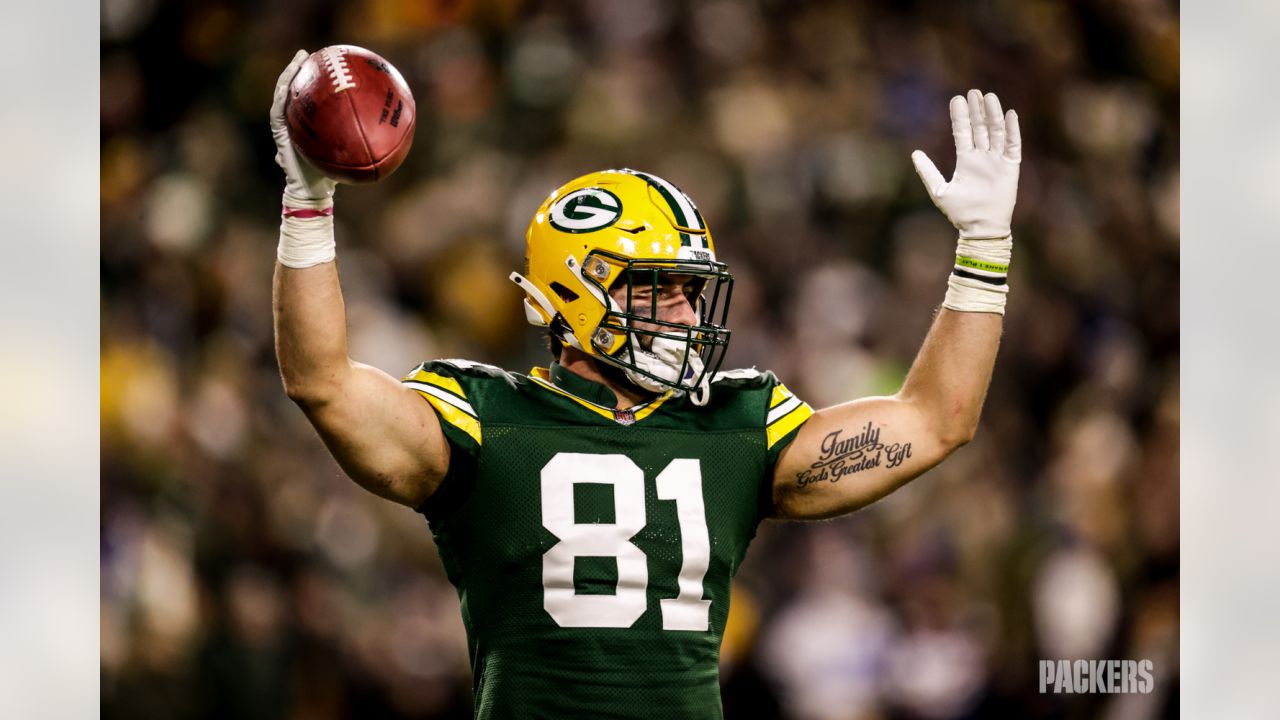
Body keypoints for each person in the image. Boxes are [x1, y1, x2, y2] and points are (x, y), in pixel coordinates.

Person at [269, 46, 1021, 720]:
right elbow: (322, 382)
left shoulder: (734, 424)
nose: (686, 311)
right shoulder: (484, 420)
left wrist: (984, 249)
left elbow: (936, 419)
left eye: (691, 289)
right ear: (574, 292)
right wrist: (309, 204)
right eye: (658, 287)